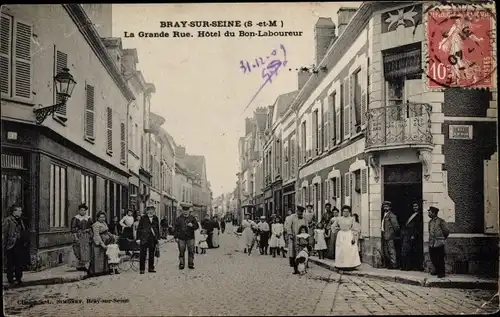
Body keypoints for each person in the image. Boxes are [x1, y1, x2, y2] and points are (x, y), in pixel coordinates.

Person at [3, 205, 30, 285]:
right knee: (10, 263)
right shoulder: (8, 220)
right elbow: (4, 234)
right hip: (11, 245)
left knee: (19, 263)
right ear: (14, 212)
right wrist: (5, 246)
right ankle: (10, 279)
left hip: (20, 245)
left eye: (21, 211)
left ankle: (18, 278)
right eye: (19, 211)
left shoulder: (21, 220)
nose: (21, 212)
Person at [286, 205, 314, 274]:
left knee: (303, 253)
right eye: (298, 211)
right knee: (294, 253)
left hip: (303, 238)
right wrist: (290, 234)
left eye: (301, 212)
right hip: (294, 237)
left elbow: (307, 227)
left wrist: (307, 236)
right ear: (296, 211)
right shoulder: (292, 217)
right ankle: (295, 268)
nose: (299, 213)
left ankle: (304, 266)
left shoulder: (304, 218)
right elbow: (288, 226)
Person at [89, 211, 118, 276]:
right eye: (101, 217)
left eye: (103, 217)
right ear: (97, 218)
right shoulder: (96, 225)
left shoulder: (104, 223)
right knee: (99, 256)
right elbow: (96, 235)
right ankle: (97, 271)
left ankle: (105, 270)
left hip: (106, 241)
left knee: (105, 256)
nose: (102, 219)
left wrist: (113, 236)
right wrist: (102, 244)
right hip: (100, 242)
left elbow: (107, 232)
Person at [335, 206, 361, 271]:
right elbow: (333, 226)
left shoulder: (352, 219)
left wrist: (354, 238)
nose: (345, 213)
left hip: (349, 234)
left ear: (349, 212)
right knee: (341, 250)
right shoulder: (339, 219)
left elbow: (355, 229)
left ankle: (350, 265)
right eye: (344, 211)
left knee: (349, 249)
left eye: (347, 211)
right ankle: (341, 265)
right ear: (342, 212)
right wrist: (338, 229)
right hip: (341, 235)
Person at [136, 205, 160, 274]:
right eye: (150, 210)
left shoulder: (156, 218)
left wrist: (157, 238)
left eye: (153, 210)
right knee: (143, 254)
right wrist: (138, 239)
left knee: (151, 254)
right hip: (144, 238)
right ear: (147, 211)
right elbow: (139, 229)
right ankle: (142, 269)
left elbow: (157, 229)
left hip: (152, 238)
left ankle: (151, 268)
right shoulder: (143, 218)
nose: (151, 212)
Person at [70, 203, 93, 272]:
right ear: (79, 211)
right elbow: (73, 229)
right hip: (79, 235)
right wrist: (75, 237)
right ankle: (79, 265)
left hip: (86, 236)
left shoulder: (88, 218)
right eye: (81, 210)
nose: (83, 212)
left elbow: (91, 227)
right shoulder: (75, 218)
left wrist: (90, 232)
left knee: (86, 250)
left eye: (84, 210)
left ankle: (85, 265)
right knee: (78, 250)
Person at [428, 206, 450, 278]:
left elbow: (446, 231)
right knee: (433, 258)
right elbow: (429, 231)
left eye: (430, 212)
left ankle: (442, 272)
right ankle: (437, 270)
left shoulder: (441, 221)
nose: (428, 213)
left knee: (440, 258)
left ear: (434, 213)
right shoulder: (430, 222)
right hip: (432, 243)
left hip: (439, 242)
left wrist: (442, 238)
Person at [401, 202, 423, 271]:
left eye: (416, 206)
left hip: (413, 236)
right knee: (406, 251)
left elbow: (418, 227)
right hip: (408, 235)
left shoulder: (419, 215)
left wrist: (414, 235)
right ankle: (406, 266)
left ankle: (412, 266)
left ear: (419, 207)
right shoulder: (412, 214)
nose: (415, 207)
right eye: (414, 206)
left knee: (411, 251)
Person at [381, 201, 400, 269]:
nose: (385, 208)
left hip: (389, 236)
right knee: (386, 251)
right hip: (385, 235)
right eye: (384, 206)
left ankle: (394, 264)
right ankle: (390, 264)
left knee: (391, 250)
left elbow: (396, 227)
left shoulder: (392, 215)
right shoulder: (384, 215)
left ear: (390, 207)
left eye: (387, 206)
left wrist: (391, 233)